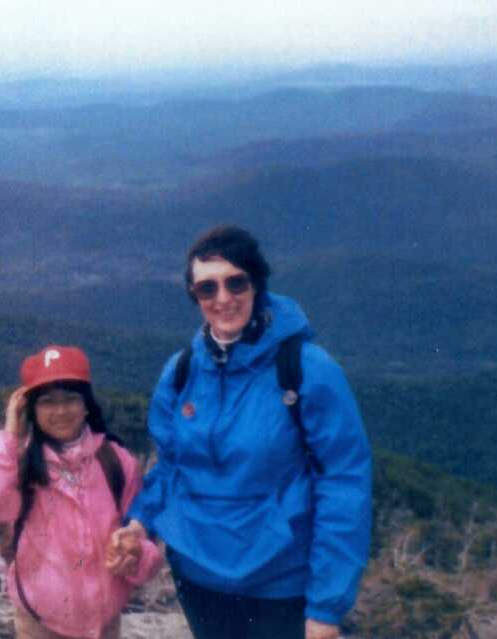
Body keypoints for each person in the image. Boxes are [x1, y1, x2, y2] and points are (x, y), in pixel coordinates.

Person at [112, 225, 372, 639]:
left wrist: (325, 607)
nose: (223, 298)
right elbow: (171, 468)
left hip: (278, 581)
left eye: (236, 282)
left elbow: (343, 486)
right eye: (207, 288)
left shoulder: (306, 368)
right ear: (194, 296)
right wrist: (139, 522)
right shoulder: (180, 372)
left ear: (257, 284)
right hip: (197, 575)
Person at [0, 345, 163, 639]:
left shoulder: (116, 461)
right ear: (30, 408)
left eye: (70, 399)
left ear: (86, 405)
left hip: (104, 625)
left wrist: (134, 557)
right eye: (46, 402)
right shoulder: (19, 463)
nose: (60, 411)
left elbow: (146, 547)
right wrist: (9, 435)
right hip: (40, 625)